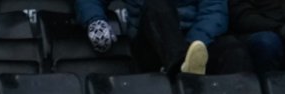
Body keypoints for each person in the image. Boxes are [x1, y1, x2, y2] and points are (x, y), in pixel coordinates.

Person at [77, 0, 253, 75]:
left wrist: (192, 45)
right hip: (150, 46)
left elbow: (215, 11)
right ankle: (182, 67)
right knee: (157, 4)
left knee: (234, 50)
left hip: (194, 42)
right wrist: (95, 21)